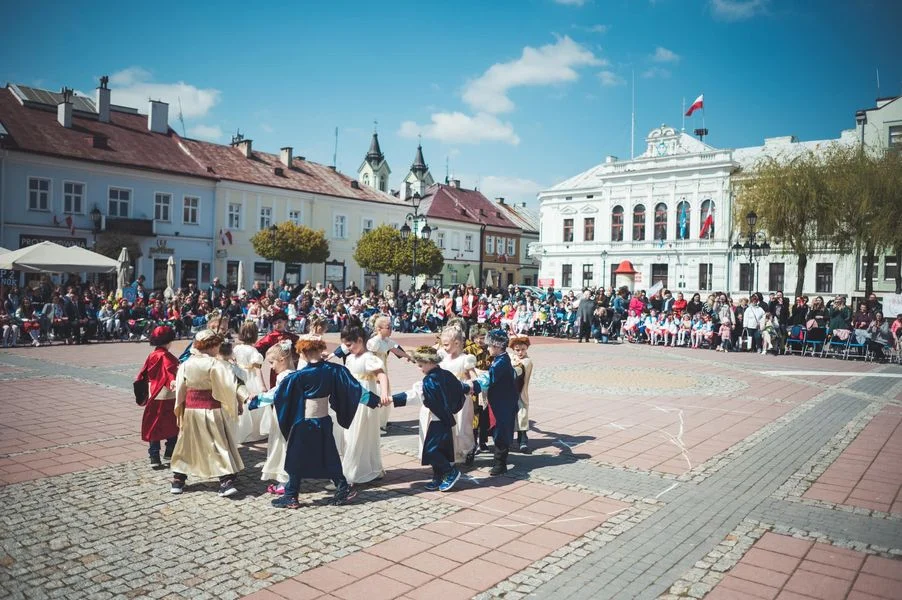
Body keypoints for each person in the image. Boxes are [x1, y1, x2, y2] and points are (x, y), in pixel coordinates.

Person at [270, 337, 386, 508]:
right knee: (329, 455)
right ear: (320, 350)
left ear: (302, 353)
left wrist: (255, 401)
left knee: (295, 457)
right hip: (324, 421)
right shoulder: (334, 370)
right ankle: (342, 487)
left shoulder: (298, 376)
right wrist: (373, 400)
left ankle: (291, 495)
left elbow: (279, 396)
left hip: (304, 423)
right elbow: (354, 388)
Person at [169, 329, 248, 497]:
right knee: (218, 443)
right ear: (212, 346)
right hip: (212, 411)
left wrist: (180, 407)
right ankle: (225, 481)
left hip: (191, 411)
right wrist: (246, 396)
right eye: (217, 345)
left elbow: (181, 387)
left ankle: (178, 479)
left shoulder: (186, 363)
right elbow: (231, 384)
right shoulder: (216, 364)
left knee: (187, 443)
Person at [391, 346, 467, 492]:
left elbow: (414, 396)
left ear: (430, 362)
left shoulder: (429, 381)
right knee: (441, 450)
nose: (419, 368)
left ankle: (450, 472)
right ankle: (438, 477)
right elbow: (458, 387)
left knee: (431, 450)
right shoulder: (445, 374)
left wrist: (392, 399)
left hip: (438, 420)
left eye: (421, 365)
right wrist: (467, 388)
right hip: (444, 419)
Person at [341, 324, 391, 485]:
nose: (347, 348)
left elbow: (381, 375)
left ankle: (352, 473)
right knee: (351, 435)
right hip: (352, 400)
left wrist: (384, 393)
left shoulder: (369, 358)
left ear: (360, 340)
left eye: (349, 345)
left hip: (366, 400)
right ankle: (367, 468)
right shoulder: (349, 358)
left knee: (363, 434)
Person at [248, 341, 296, 494]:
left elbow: (276, 394)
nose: (271, 367)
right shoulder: (291, 374)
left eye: (272, 362)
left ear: (282, 359)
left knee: (282, 446)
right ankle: (288, 479)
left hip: (284, 417)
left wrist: (255, 400)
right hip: (289, 415)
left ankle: (285, 482)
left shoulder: (285, 376)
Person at [469, 330, 519, 476]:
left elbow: (489, 378)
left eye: (489, 346)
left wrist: (471, 387)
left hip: (503, 403)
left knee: (501, 432)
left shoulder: (501, 362)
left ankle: (500, 463)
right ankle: (499, 461)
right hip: (500, 402)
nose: (487, 348)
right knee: (497, 429)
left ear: (497, 346)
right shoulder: (500, 360)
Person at [135, 326, 180, 468]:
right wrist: (173, 381)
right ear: (168, 341)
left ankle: (154, 456)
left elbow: (143, 373)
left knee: (153, 424)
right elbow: (169, 372)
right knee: (173, 423)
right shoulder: (167, 356)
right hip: (168, 394)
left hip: (153, 392)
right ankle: (170, 451)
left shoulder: (152, 355)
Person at [437, 323, 478, 464]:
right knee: (450, 426)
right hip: (446, 397)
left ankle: (467, 449)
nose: (444, 348)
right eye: (443, 345)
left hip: (461, 398)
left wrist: (471, 384)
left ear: (457, 343)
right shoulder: (443, 358)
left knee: (462, 426)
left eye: (447, 345)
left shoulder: (465, 359)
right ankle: (452, 452)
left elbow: (473, 376)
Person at [366, 315, 410, 431]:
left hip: (384, 372)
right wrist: (374, 375)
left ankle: (381, 423)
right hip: (375, 374)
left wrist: (409, 356)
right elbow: (368, 358)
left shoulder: (386, 341)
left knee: (385, 398)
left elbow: (396, 350)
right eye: (388, 327)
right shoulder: (373, 342)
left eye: (391, 327)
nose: (390, 329)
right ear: (379, 329)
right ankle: (372, 424)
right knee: (377, 397)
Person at [232, 322, 267, 443]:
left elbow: (234, 362)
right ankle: (252, 432)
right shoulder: (253, 351)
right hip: (250, 377)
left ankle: (239, 431)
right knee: (252, 405)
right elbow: (257, 369)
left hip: (239, 376)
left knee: (239, 401)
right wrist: (262, 385)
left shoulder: (236, 348)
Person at [509, 334, 534, 454]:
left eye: (523, 349)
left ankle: (523, 440)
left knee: (522, 415)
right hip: (509, 393)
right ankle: (509, 440)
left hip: (521, 392)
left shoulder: (527, 361)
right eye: (517, 350)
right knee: (510, 416)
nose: (520, 352)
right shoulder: (510, 358)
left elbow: (518, 370)